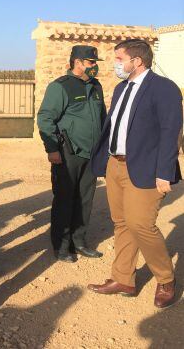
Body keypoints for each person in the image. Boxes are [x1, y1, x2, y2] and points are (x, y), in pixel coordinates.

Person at [88, 39, 182, 309]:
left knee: (141, 223)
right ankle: (123, 278)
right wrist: (105, 160)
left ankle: (165, 279)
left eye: (120, 59)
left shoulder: (164, 88)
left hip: (148, 169)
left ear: (137, 61)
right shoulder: (120, 88)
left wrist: (164, 171)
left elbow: (170, 132)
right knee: (122, 223)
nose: (116, 64)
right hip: (115, 165)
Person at [37, 45, 106, 263]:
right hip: (68, 154)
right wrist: (53, 149)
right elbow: (45, 118)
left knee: (85, 199)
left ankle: (80, 242)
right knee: (65, 199)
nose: (94, 67)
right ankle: (61, 245)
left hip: (90, 153)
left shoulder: (96, 86)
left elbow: (102, 119)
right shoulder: (60, 87)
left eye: (95, 63)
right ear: (77, 62)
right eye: (91, 62)